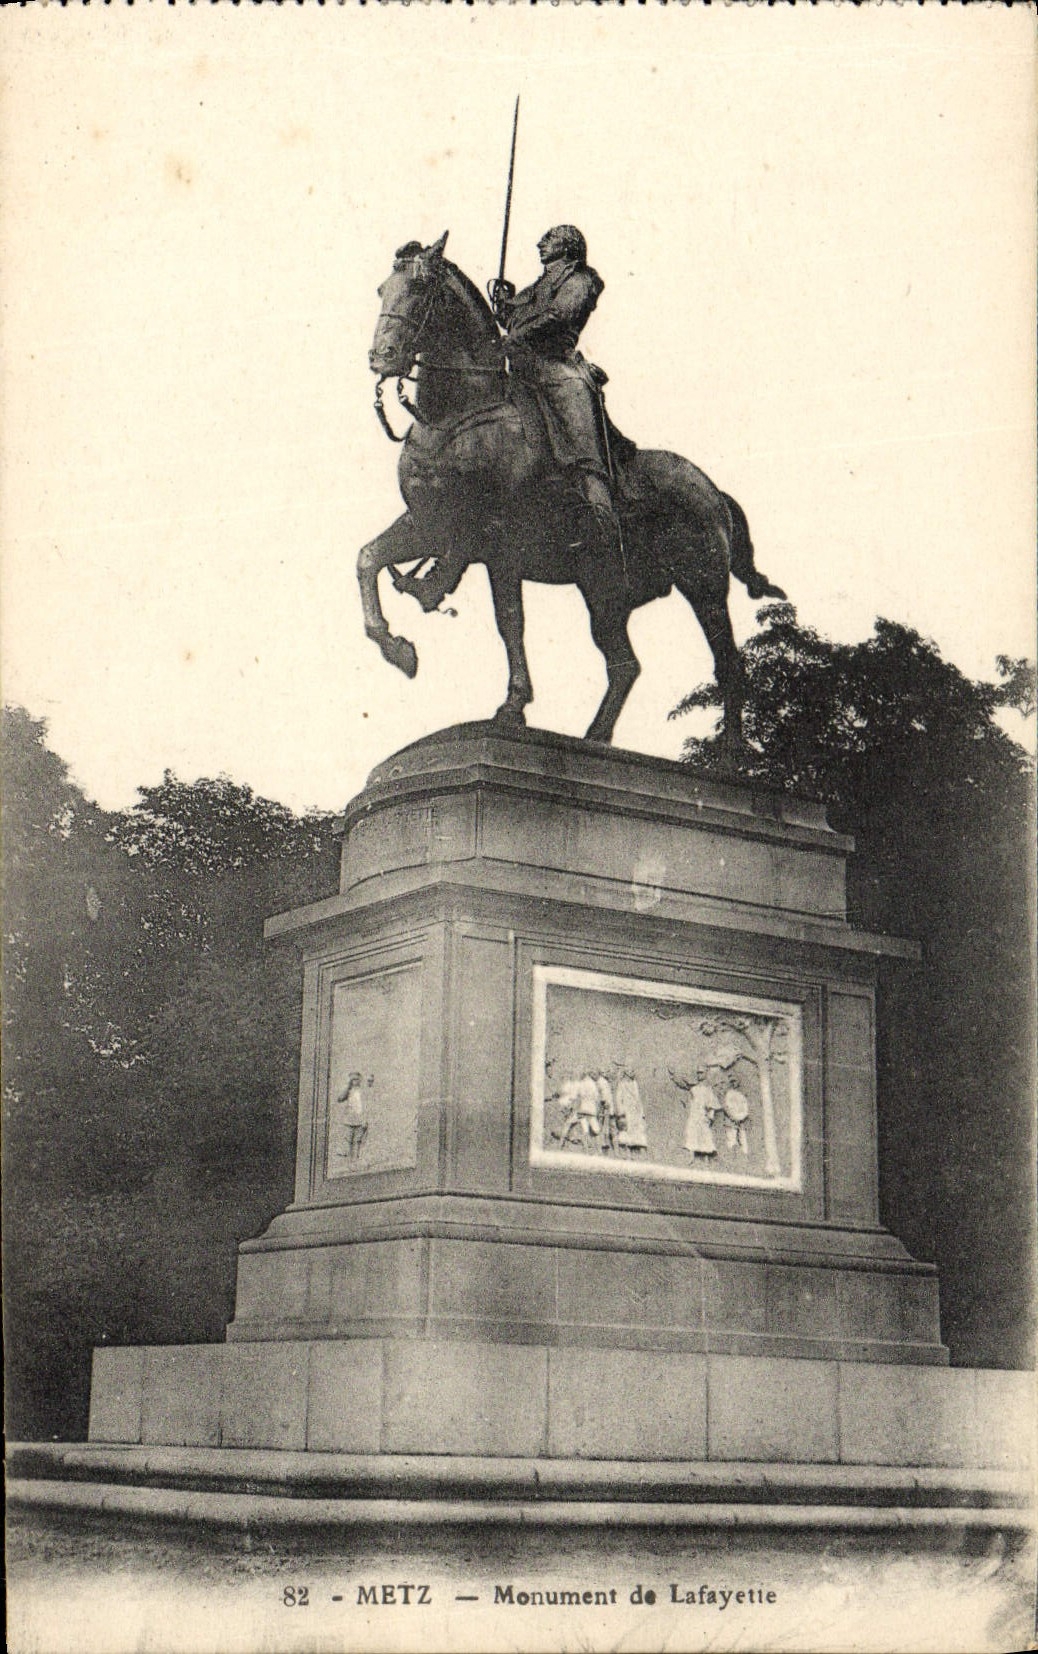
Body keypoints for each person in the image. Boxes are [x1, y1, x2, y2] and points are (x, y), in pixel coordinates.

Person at [493, 226, 623, 563]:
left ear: (566, 246)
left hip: (559, 369)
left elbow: (558, 316)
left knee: (583, 455)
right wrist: (505, 305)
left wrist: (517, 333)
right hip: (523, 370)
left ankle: (602, 520)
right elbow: (516, 317)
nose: (539, 243)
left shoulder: (581, 279)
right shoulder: (541, 282)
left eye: (548, 239)